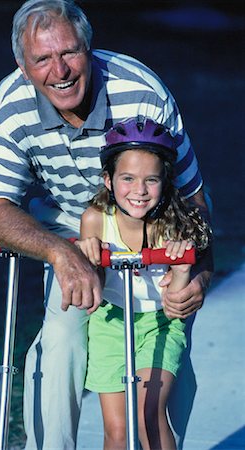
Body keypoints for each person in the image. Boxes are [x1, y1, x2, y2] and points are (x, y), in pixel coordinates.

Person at [0, 0, 213, 448]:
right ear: (24, 67)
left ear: (89, 47)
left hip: (157, 221)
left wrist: (199, 272)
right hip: (69, 223)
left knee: (167, 340)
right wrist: (61, 253)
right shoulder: (12, 104)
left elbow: (193, 197)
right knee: (61, 337)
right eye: (42, 59)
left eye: (69, 52)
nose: (59, 70)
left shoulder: (140, 92)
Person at [77, 117, 212, 450]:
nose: (139, 191)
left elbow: (177, 304)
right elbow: (92, 293)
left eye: (151, 180)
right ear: (108, 180)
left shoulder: (175, 226)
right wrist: (88, 258)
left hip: (160, 324)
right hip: (110, 322)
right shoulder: (95, 220)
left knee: (148, 414)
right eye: (128, 178)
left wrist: (182, 268)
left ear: (165, 182)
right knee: (118, 430)